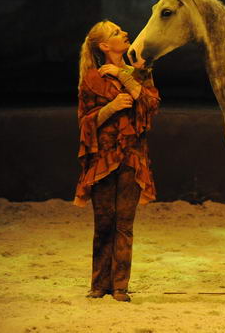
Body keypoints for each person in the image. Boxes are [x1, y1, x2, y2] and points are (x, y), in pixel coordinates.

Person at [74, 20, 160, 302]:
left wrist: (124, 76)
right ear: (104, 46)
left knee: (125, 223)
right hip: (103, 159)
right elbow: (85, 122)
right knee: (103, 222)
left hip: (132, 157)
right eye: (116, 33)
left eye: (122, 30)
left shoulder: (139, 71)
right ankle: (99, 284)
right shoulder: (91, 78)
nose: (124, 33)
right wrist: (110, 108)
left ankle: (120, 285)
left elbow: (150, 106)